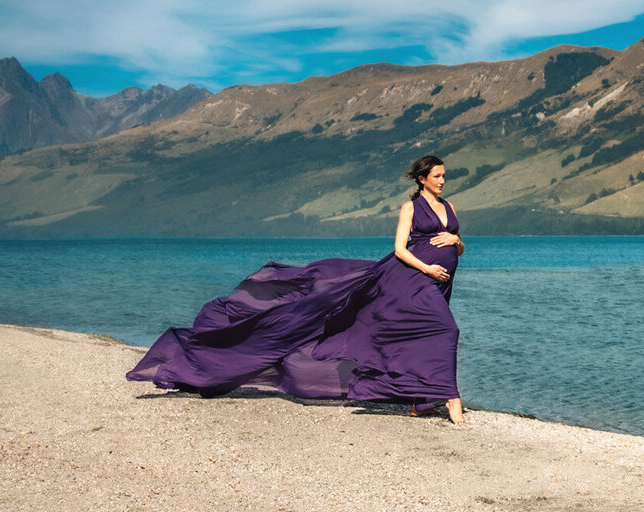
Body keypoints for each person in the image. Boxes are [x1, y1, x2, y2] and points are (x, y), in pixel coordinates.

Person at [127, 155, 467, 424]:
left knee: (420, 336)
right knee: (447, 330)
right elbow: (399, 249)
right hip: (412, 278)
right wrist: (427, 267)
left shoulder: (449, 207)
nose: (442, 180)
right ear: (422, 178)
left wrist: (456, 241)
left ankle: (422, 401)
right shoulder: (410, 207)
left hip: (439, 283)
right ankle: (452, 401)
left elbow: (460, 247)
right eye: (437, 175)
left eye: (443, 175)